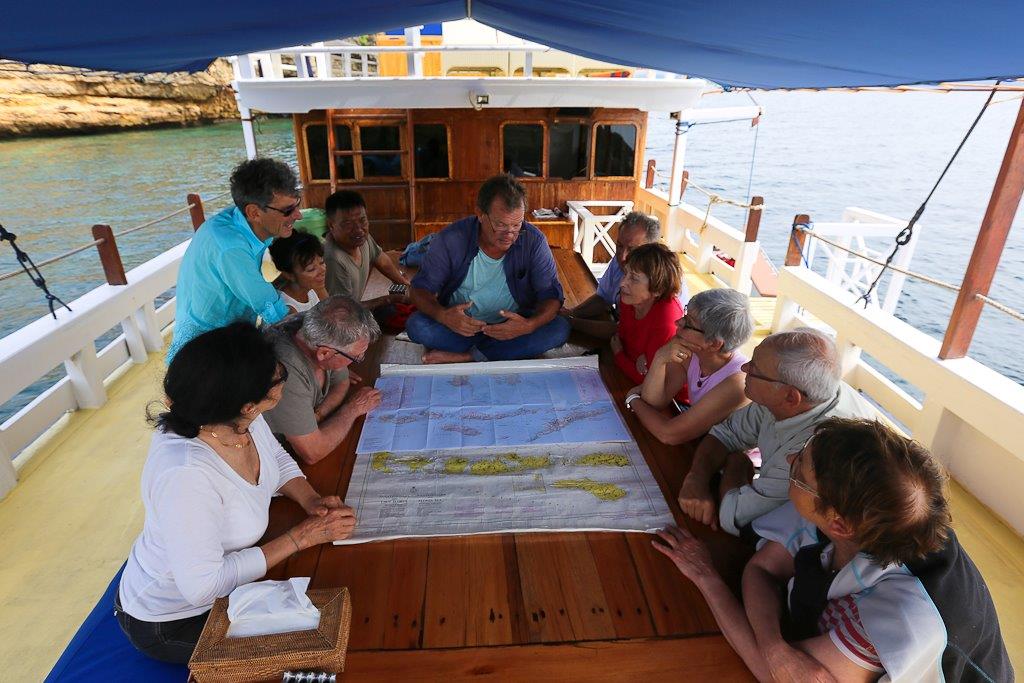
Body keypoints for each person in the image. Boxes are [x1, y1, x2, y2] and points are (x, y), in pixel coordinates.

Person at [653, 418, 1011, 682]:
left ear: (838, 523)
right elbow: (762, 571)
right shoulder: (865, 515)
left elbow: (775, 676)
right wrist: (777, 648)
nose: (790, 457)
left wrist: (705, 575)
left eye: (800, 471)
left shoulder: (900, 614)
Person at [117, 322, 357, 663]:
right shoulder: (186, 475)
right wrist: (301, 538)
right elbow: (204, 586)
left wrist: (310, 499)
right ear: (248, 404)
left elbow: (274, 458)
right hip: (176, 618)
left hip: (226, 588)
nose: (283, 373)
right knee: (324, 650)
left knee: (335, 614)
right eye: (276, 375)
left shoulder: (236, 418)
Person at [679, 327, 876, 536]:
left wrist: (737, 463)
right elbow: (725, 434)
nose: (744, 367)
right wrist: (696, 478)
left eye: (755, 370)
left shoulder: (813, 452)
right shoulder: (790, 395)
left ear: (791, 397)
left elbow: (734, 517)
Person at [407, 174, 570, 364]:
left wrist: (528, 326)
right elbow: (419, 289)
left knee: (560, 328)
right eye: (500, 225)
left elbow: (551, 296)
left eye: (517, 225)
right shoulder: (451, 239)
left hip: (512, 330)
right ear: (480, 214)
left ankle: (468, 357)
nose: (509, 234)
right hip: (462, 328)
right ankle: (495, 353)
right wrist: (443, 316)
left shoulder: (533, 241)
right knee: (417, 326)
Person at [168, 158, 300, 361]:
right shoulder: (230, 247)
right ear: (254, 212)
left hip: (234, 329)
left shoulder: (244, 221)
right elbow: (271, 307)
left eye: (297, 204)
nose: (298, 215)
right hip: (204, 346)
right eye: (288, 210)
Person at [624, 288, 754, 445]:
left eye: (689, 323)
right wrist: (660, 358)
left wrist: (632, 397)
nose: (678, 322)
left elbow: (669, 435)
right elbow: (655, 403)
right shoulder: (692, 352)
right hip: (700, 443)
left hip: (729, 461)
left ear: (713, 343)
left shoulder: (737, 382)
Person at [263, 296, 382, 465]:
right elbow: (313, 452)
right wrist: (353, 408)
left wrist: (319, 414)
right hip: (272, 461)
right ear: (324, 353)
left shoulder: (321, 334)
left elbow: (341, 382)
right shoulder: (282, 373)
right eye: (356, 357)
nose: (359, 359)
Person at [562, 211, 687, 339]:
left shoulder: (664, 281)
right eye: (619, 246)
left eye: (632, 249)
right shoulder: (620, 262)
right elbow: (603, 298)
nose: (623, 256)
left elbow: (621, 332)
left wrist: (571, 322)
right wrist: (572, 313)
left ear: (650, 249)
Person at [610, 242, 684, 384]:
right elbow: (620, 338)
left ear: (658, 289)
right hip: (627, 373)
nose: (622, 283)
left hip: (672, 400)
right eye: (626, 273)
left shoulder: (667, 322)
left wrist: (618, 354)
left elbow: (650, 383)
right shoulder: (631, 300)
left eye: (634, 278)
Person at [323, 190, 411, 305]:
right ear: (331, 225)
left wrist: (404, 283)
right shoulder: (334, 260)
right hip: (342, 316)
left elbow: (381, 260)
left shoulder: (361, 238)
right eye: (348, 224)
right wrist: (389, 299)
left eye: (362, 220)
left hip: (353, 308)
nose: (358, 229)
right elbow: (344, 311)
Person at [269, 231, 328, 314]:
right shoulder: (287, 308)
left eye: (322, 262)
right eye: (311, 269)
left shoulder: (316, 288)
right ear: (289, 275)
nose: (322, 270)